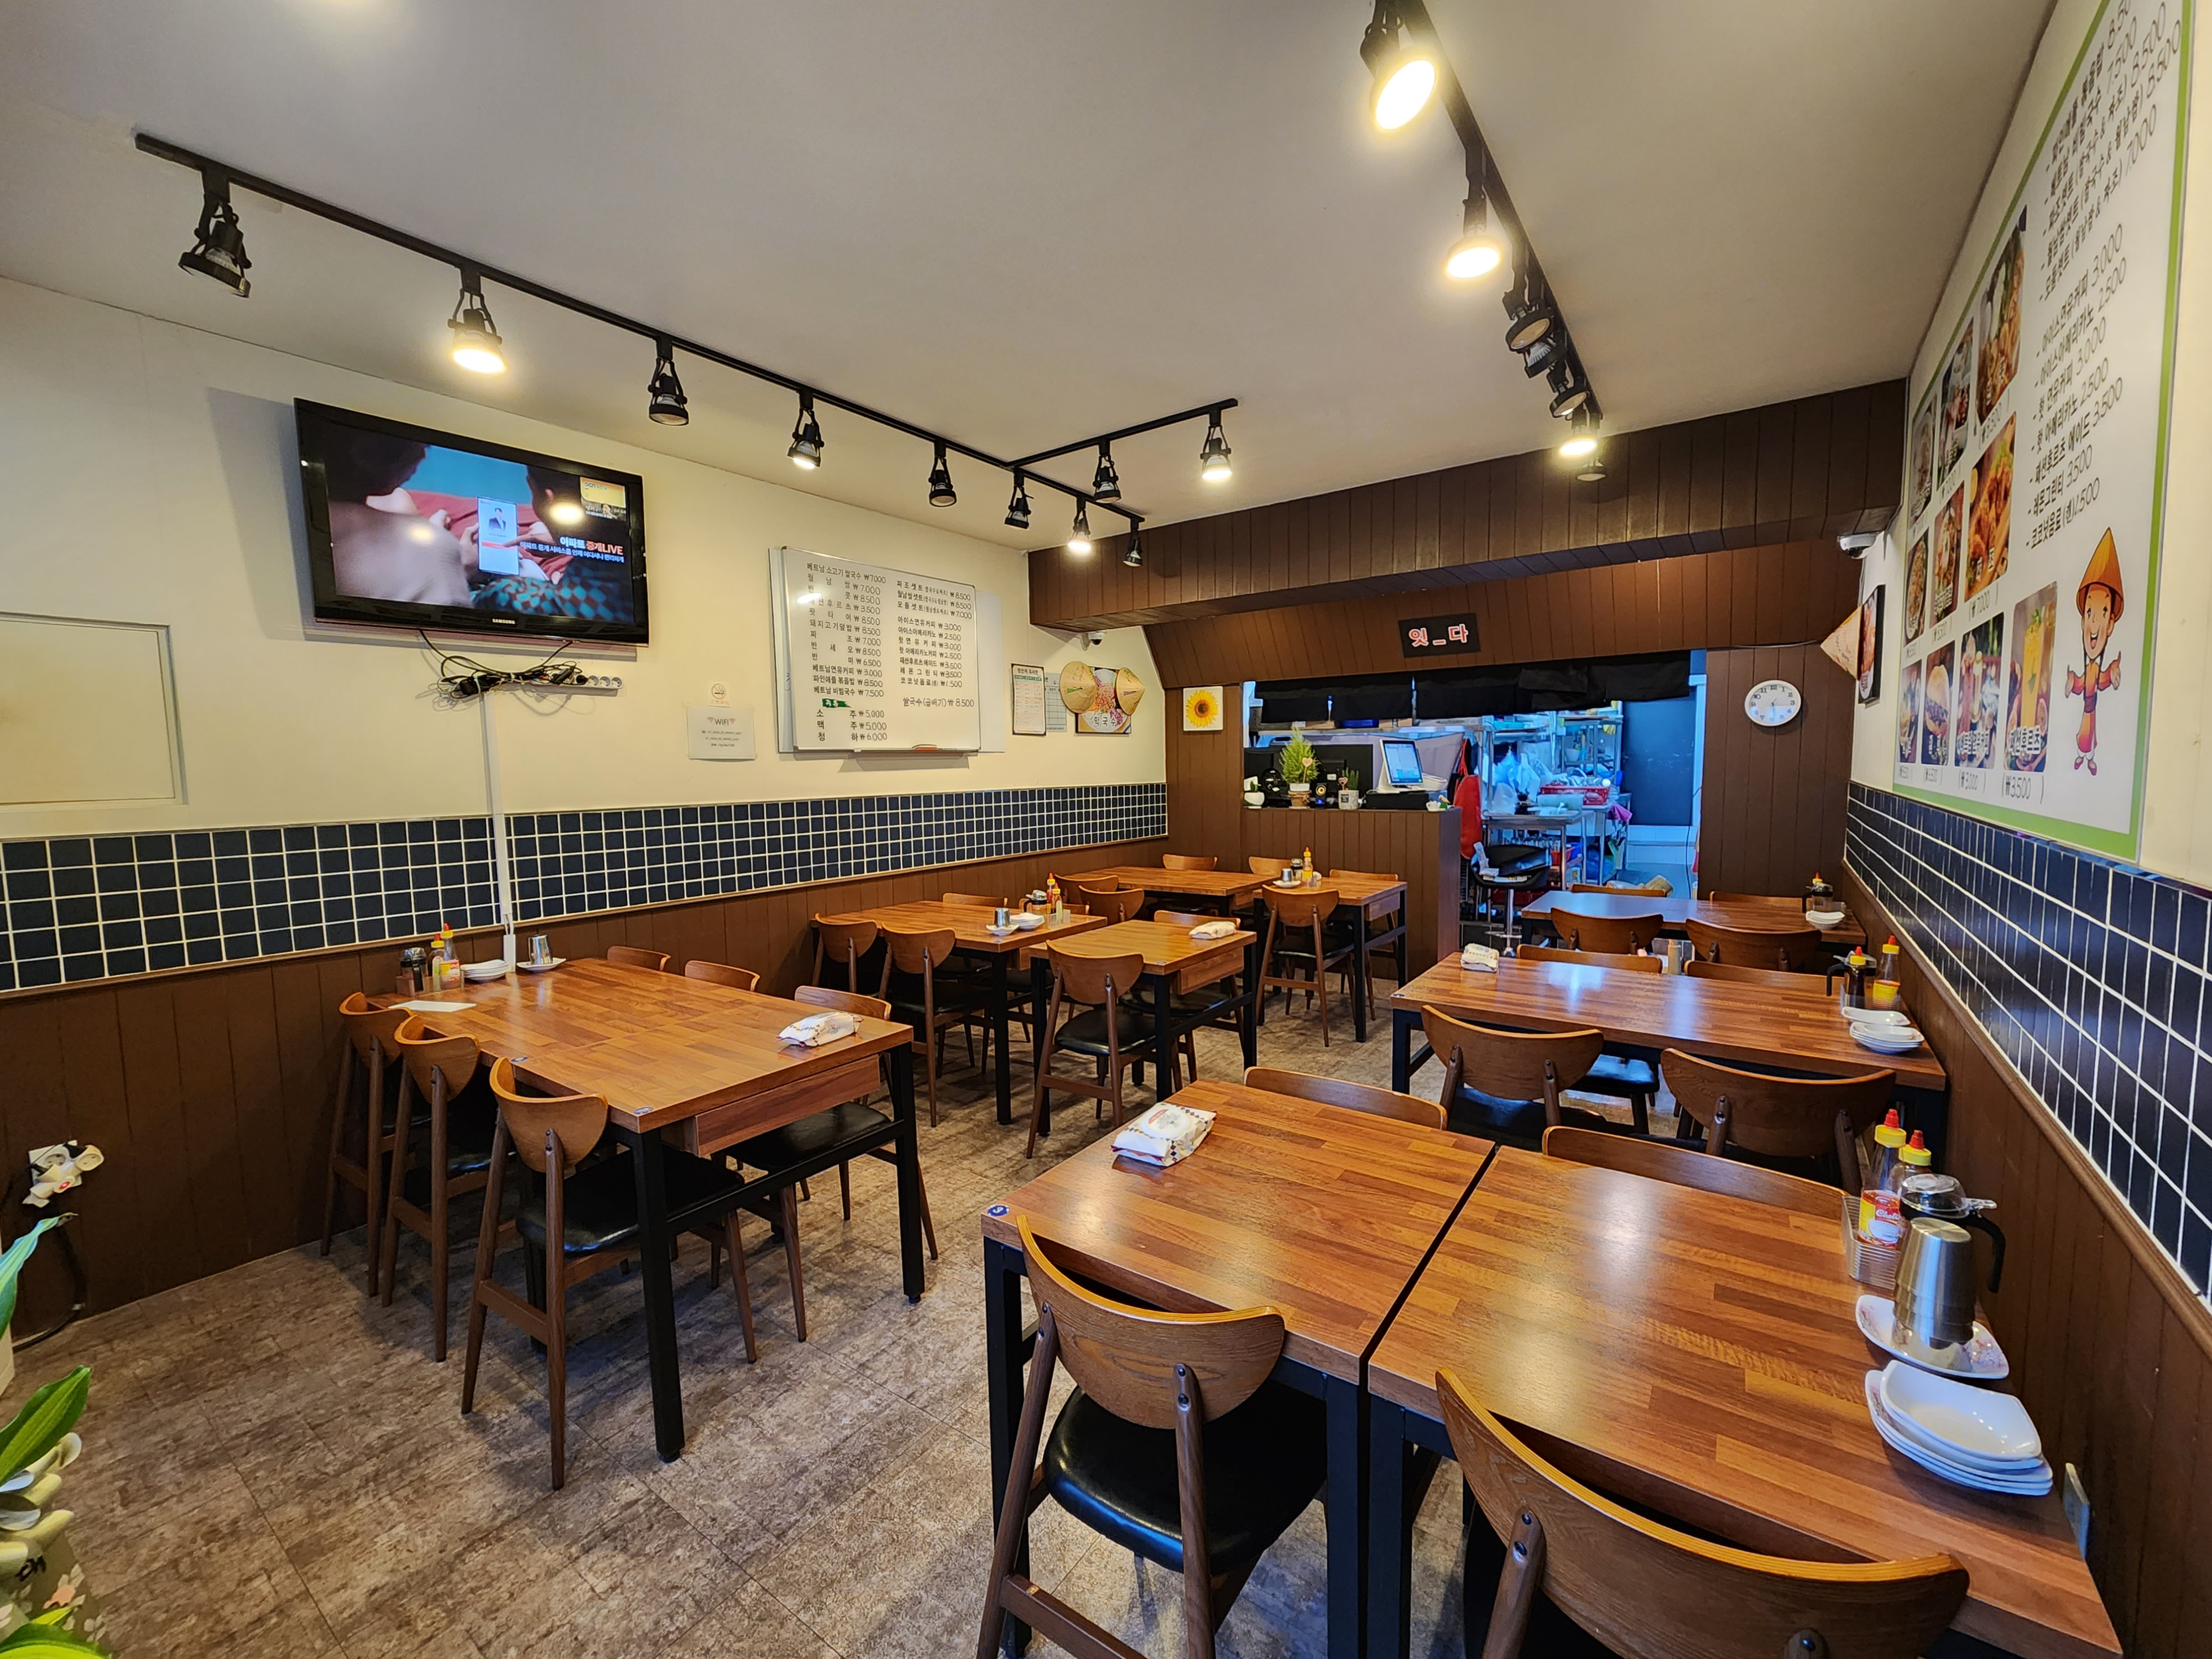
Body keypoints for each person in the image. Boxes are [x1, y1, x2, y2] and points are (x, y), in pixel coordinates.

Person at [321, 429, 471, 605]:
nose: (422, 455)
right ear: (364, 451)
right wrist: (462, 566)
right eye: (417, 445)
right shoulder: (435, 547)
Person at [2065, 529, 2124, 775]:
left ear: (2110, 624)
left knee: (2091, 736)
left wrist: (2112, 673)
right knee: (2084, 734)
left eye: (2102, 613)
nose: (2094, 623)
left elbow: (2103, 680)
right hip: (2086, 712)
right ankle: (2083, 756)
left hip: (2092, 711)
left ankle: (2088, 759)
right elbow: (2081, 684)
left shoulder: (2096, 670)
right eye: (2089, 613)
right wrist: (2072, 682)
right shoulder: (2089, 669)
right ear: (2083, 620)